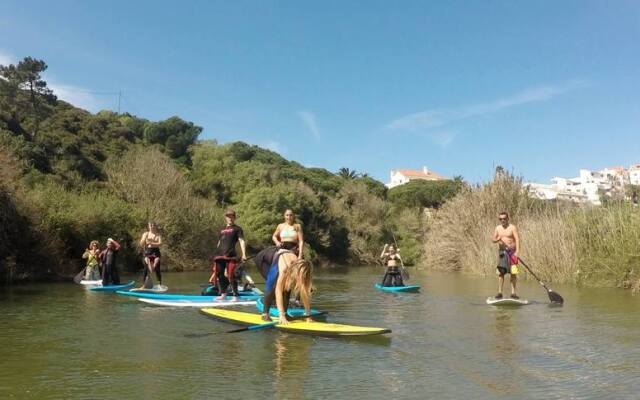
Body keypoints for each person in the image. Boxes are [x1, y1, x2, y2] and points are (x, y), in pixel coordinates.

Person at [254, 246, 313, 324]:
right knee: (272, 285)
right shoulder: (284, 268)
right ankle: (265, 313)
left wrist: (308, 315)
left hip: (281, 256)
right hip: (263, 259)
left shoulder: (301, 269)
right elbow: (278, 291)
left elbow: (304, 292)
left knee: (287, 287)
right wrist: (281, 315)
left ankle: (285, 313)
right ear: (296, 271)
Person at [210, 209, 247, 301]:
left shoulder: (237, 229)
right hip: (219, 255)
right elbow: (219, 242)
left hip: (231, 255)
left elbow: (241, 241)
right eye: (228, 216)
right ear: (226, 218)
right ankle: (223, 294)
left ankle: (235, 296)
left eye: (232, 216)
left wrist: (244, 254)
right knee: (219, 274)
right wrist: (216, 253)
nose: (230, 218)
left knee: (231, 275)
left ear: (234, 217)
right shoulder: (222, 229)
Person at [492, 211, 520, 299]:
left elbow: (517, 240)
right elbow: (493, 239)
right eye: (501, 219)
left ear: (508, 218)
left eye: (504, 218)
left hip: (512, 253)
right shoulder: (497, 228)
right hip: (502, 253)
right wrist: (497, 239)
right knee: (501, 273)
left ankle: (513, 293)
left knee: (513, 272)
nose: (502, 220)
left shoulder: (512, 228)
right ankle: (500, 293)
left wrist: (517, 253)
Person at [139, 222, 162, 287]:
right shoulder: (145, 234)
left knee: (157, 269)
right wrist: (144, 239)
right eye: (150, 225)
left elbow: (160, 243)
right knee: (146, 268)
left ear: (155, 226)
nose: (152, 226)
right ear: (148, 226)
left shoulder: (158, 235)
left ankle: (159, 284)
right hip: (148, 252)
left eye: (153, 225)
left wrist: (152, 243)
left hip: (156, 252)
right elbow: (141, 243)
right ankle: (144, 284)